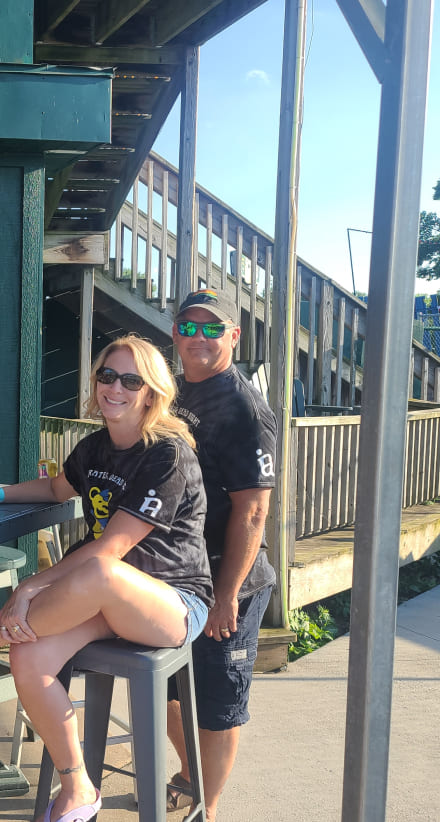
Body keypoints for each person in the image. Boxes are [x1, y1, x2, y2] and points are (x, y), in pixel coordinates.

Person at [0, 334, 212, 822]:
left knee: (99, 568)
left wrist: (33, 586)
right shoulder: (96, 446)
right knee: (29, 655)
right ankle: (79, 788)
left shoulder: (167, 454)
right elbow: (58, 486)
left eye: (130, 380)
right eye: (107, 376)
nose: (115, 387)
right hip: (103, 598)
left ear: (151, 392)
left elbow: (112, 550)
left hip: (171, 602)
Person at [165, 289, 277, 822]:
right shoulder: (172, 393)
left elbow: (253, 512)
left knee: (216, 709)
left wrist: (226, 594)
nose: (200, 339)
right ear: (175, 335)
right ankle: (192, 777)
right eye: (189, 327)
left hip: (228, 585)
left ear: (234, 336)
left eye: (213, 329)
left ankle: (204, 810)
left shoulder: (245, 408)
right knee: (168, 698)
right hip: (174, 578)